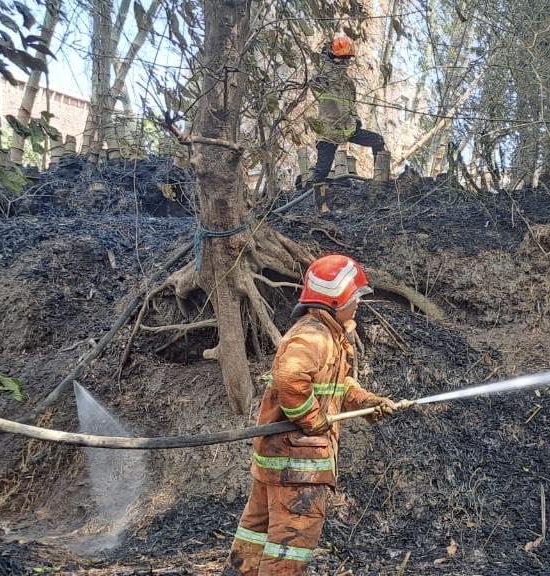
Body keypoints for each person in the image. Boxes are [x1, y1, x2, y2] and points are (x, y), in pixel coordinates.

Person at [227, 254, 398, 575]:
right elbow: (290, 377)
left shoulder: (325, 335)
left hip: (281, 464)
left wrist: (368, 402)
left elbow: (336, 386)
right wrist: (310, 418)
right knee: (288, 548)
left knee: (257, 533)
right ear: (336, 300)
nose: (358, 304)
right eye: (355, 297)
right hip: (298, 469)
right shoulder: (314, 336)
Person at [306, 33, 392, 213]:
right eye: (342, 58)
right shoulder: (323, 78)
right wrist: (325, 64)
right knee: (321, 172)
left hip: (348, 128)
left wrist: (357, 120)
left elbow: (351, 105)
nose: (345, 62)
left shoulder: (348, 83)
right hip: (329, 132)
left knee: (377, 140)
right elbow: (314, 83)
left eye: (347, 58)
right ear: (333, 56)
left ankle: (380, 185)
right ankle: (321, 207)